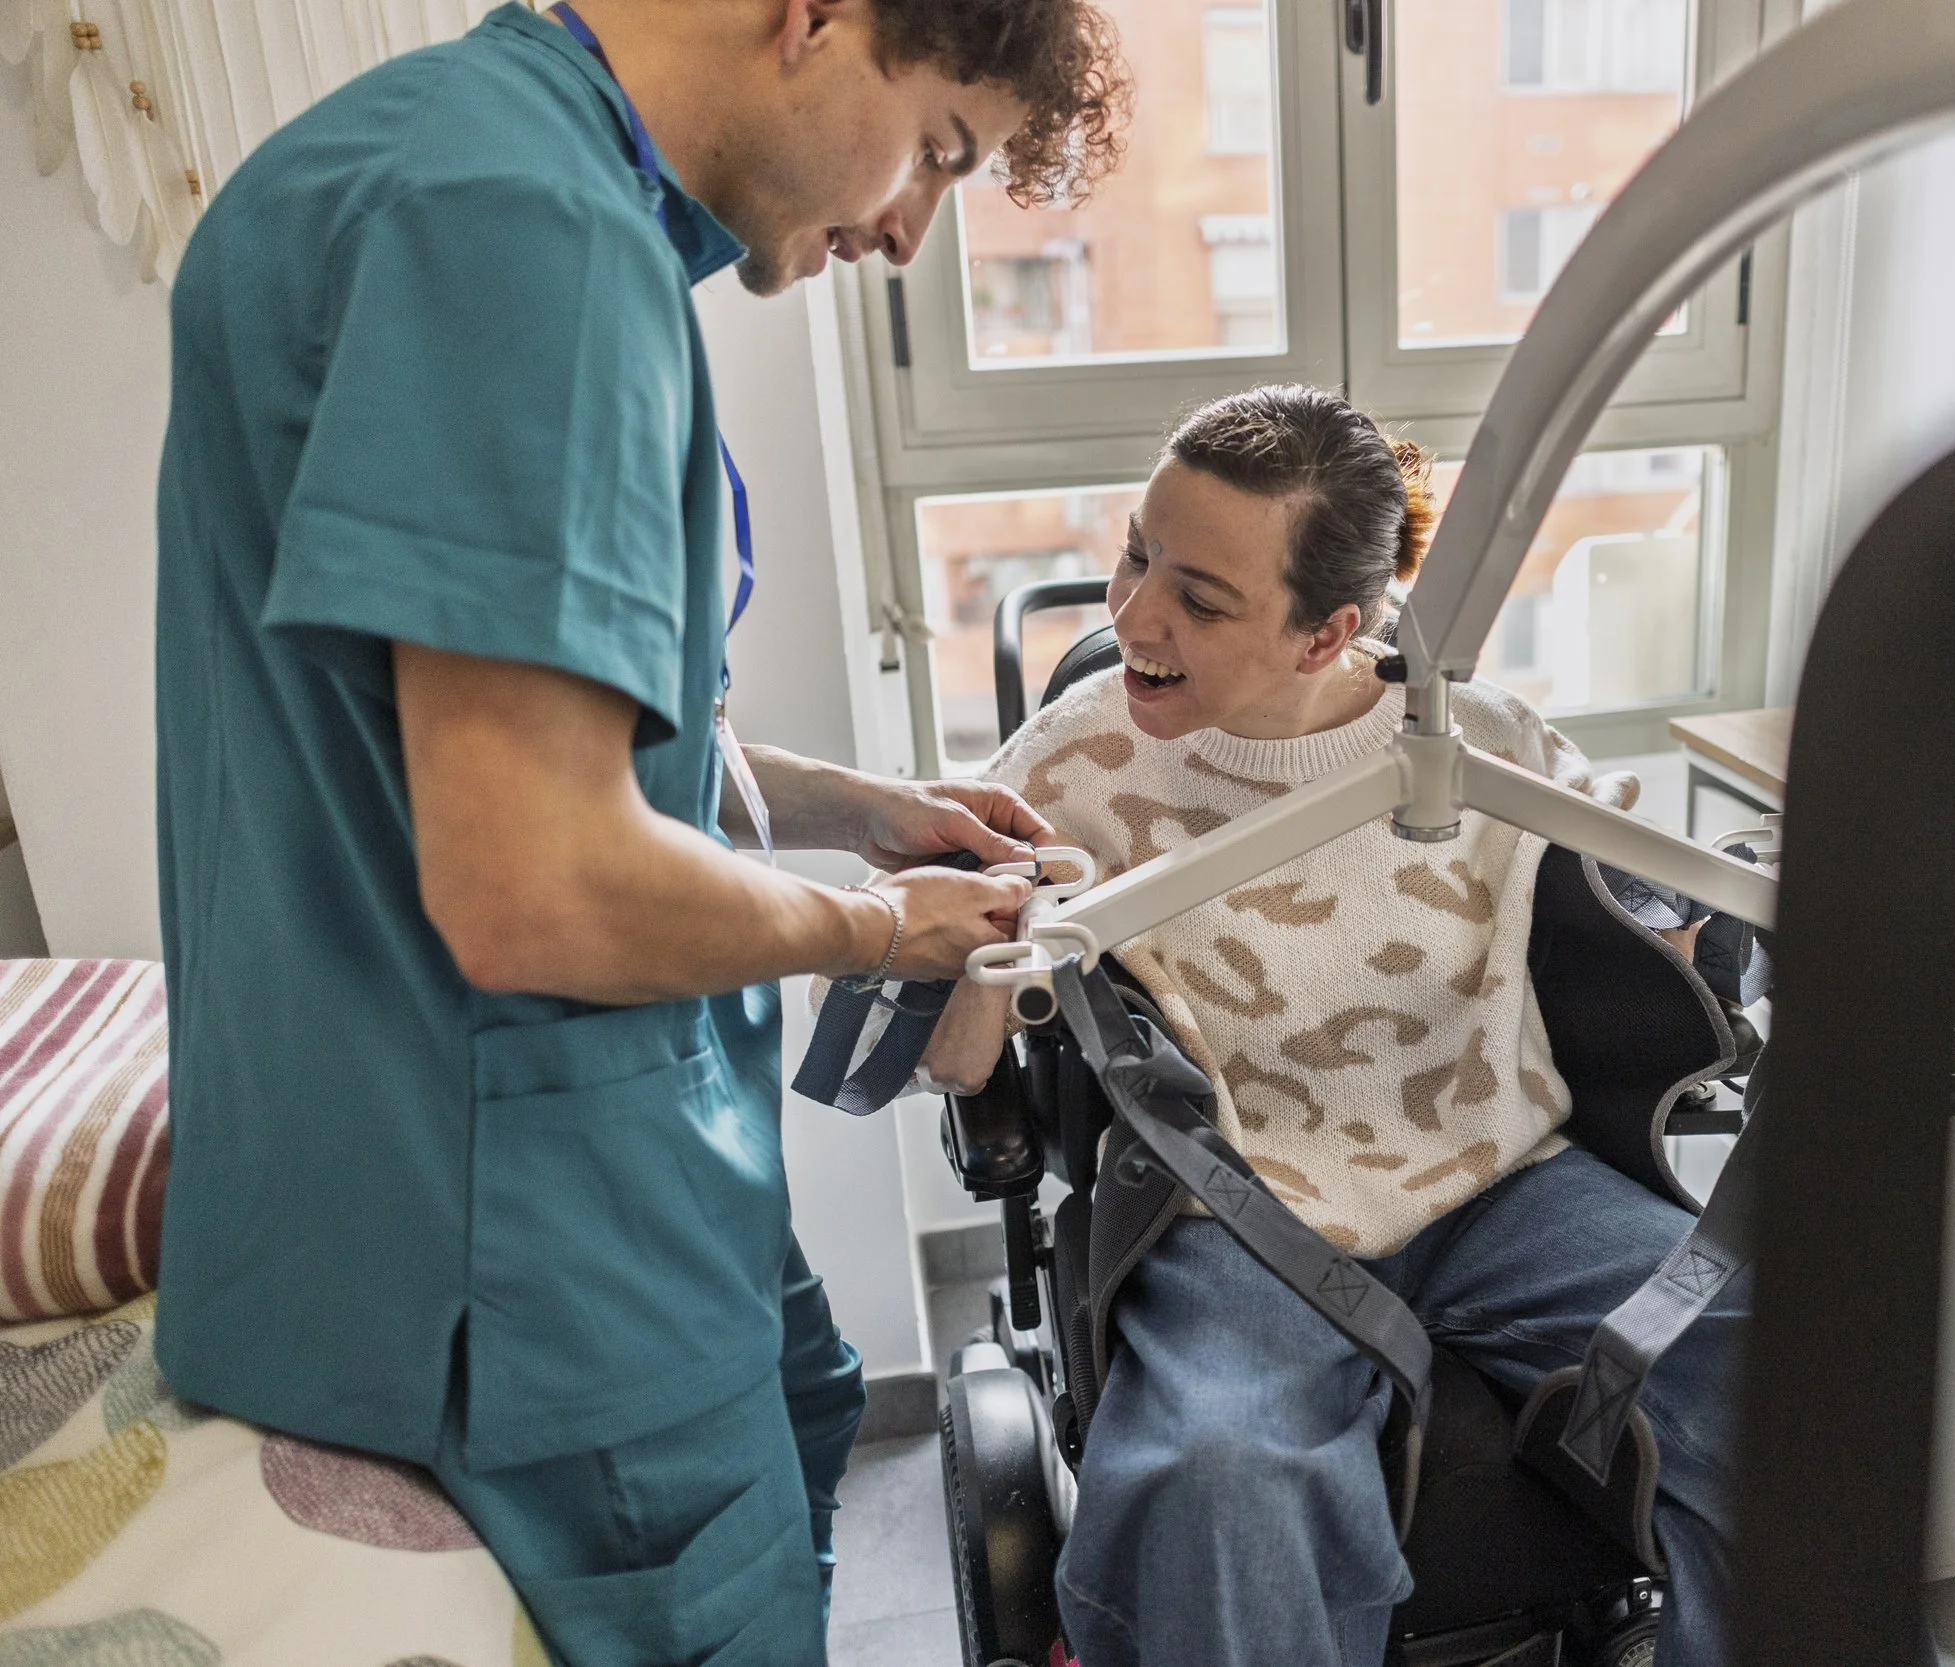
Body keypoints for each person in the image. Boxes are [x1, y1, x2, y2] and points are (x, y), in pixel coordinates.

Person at [150, 2, 1127, 1661]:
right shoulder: (527, 240)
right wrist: (882, 932)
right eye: (938, 153)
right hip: (520, 1262)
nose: (906, 232)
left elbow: (565, 725)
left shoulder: (435, 157)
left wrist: (860, 812)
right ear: (819, 19)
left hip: (514, 1184)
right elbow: (539, 881)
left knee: (816, 1397)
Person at [921, 384, 1749, 1667]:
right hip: (1236, 1212)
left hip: (1497, 1184)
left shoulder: (1473, 740)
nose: (1132, 616)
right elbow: (952, 1062)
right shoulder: (1067, 765)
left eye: (1199, 598)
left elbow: (1642, 915)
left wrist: (1700, 924)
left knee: (1768, 1357)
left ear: (1329, 634)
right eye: (1138, 551)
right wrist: (980, 946)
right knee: (1221, 1476)